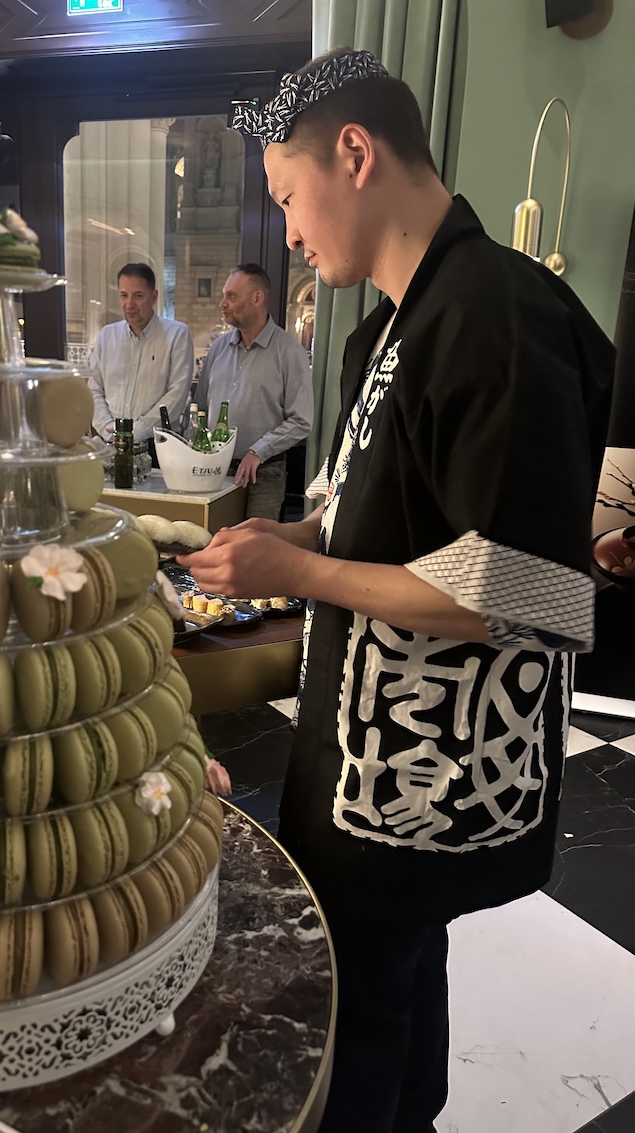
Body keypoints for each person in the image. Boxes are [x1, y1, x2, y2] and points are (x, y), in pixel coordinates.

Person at [181, 47, 614, 1133]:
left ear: (355, 155)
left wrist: (298, 569)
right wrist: (297, 531)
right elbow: (386, 507)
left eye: (289, 196)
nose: (288, 232)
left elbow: (526, 588)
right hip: (364, 754)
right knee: (395, 983)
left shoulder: (494, 311)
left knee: (365, 1014)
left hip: (423, 773)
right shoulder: (389, 325)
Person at [196, 263, 313, 520]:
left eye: (231, 296)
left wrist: (258, 451)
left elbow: (301, 420)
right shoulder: (217, 349)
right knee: (213, 538)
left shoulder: (289, 352)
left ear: (257, 298)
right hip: (215, 470)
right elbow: (200, 407)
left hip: (265, 475)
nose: (222, 303)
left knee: (255, 542)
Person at [87, 262, 193, 448]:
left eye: (138, 296)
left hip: (157, 446)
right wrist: (108, 430)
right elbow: (94, 389)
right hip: (110, 441)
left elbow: (177, 395)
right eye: (124, 295)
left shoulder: (177, 335)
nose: (130, 304)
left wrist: (134, 432)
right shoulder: (107, 336)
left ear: (154, 297)